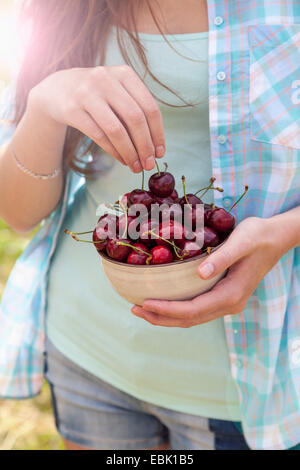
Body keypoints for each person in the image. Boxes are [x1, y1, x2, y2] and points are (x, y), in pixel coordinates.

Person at [0, 0, 300, 451]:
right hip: (88, 355)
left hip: (243, 384)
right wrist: (46, 104)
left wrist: (285, 233)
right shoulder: (58, 9)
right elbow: (18, 214)